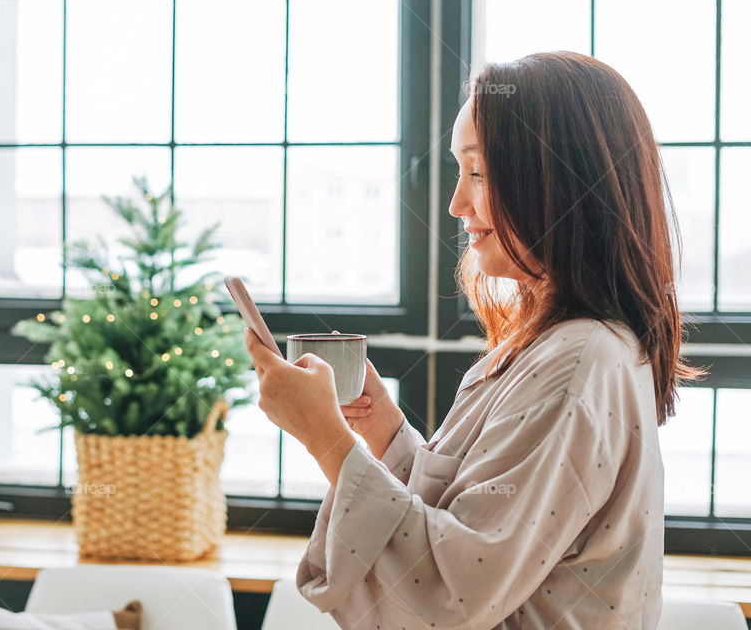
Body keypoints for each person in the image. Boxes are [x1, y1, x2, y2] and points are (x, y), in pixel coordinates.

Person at [243, 51, 702, 629]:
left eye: (479, 172)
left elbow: (450, 595)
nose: (457, 204)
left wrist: (325, 439)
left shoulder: (578, 359)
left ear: (560, 183)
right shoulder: (555, 346)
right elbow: (473, 522)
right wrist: (384, 433)